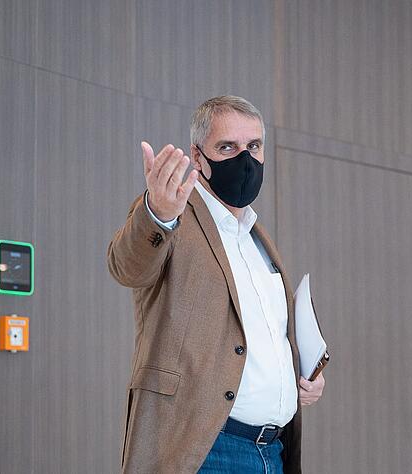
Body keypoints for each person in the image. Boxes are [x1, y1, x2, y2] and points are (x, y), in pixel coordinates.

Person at [108, 95, 325, 473]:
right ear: (197, 156)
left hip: (273, 452)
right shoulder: (174, 216)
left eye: (253, 147)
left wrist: (299, 380)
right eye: (227, 147)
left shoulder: (258, 239)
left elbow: (257, 339)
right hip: (205, 450)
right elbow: (127, 268)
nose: (244, 159)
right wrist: (157, 215)